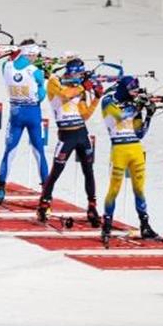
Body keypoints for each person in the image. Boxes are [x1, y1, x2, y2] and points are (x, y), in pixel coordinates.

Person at [37, 56, 102, 226]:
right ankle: (44, 203)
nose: (81, 76)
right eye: (79, 73)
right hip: (66, 135)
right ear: (72, 72)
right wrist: (82, 87)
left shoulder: (78, 88)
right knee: (56, 171)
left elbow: (85, 115)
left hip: (81, 133)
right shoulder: (54, 81)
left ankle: (92, 207)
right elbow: (64, 94)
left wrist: (96, 98)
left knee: (88, 171)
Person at [99, 75, 159, 244]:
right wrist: (137, 106)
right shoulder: (108, 101)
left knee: (139, 189)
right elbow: (118, 116)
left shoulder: (133, 104)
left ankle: (145, 225)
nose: (134, 94)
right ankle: (107, 226)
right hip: (119, 149)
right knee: (114, 189)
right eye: (132, 91)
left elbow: (139, 133)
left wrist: (148, 115)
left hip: (136, 150)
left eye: (136, 91)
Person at [0, 39, 50, 204]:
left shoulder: (6, 67)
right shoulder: (35, 71)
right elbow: (41, 96)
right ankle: (46, 192)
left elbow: (13, 62)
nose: (36, 58)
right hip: (33, 114)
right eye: (35, 55)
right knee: (39, 153)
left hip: (15, 114)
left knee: (9, 152)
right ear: (30, 53)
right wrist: (45, 79)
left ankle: (0, 190)